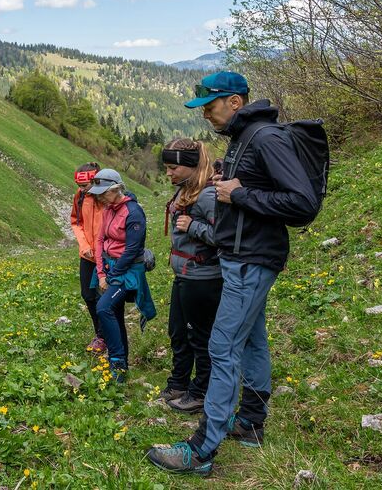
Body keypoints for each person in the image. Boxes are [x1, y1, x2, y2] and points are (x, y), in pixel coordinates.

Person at [147, 72, 319, 475]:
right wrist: (234, 190)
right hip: (243, 255)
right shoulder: (245, 139)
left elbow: (302, 204)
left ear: (235, 102)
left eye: (210, 106)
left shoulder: (266, 138)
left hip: (252, 258)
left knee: (222, 347)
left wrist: (237, 193)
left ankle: (201, 450)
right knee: (252, 341)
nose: (205, 115)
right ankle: (251, 423)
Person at [158, 139, 222, 415]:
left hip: (203, 279)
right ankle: (179, 383)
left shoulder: (207, 196)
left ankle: (200, 392)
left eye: (173, 167)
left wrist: (193, 226)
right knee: (178, 333)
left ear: (190, 166)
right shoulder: (186, 190)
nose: (168, 173)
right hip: (184, 276)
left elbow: (225, 236)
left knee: (200, 337)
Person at [87, 169, 155, 384]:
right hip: (107, 266)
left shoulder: (133, 212)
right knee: (114, 313)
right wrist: (100, 273)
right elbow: (99, 241)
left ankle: (117, 362)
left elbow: (133, 249)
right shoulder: (108, 209)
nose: (99, 197)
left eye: (103, 192)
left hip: (127, 271)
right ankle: (121, 363)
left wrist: (111, 276)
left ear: (116, 189)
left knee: (104, 308)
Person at [69, 162, 106, 353]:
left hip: (106, 256)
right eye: (80, 186)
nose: (81, 189)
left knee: (105, 297)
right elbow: (76, 221)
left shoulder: (107, 196)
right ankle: (100, 334)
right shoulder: (80, 196)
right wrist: (84, 245)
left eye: (84, 186)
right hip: (87, 255)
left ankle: (108, 335)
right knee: (88, 295)